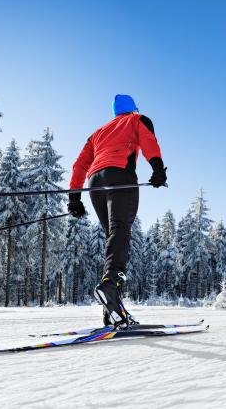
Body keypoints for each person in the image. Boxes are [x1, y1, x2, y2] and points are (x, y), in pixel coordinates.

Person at [68, 94, 167, 328]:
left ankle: (112, 311)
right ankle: (111, 285)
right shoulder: (137, 120)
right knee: (120, 231)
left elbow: (79, 164)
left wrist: (74, 198)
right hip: (120, 176)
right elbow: (148, 141)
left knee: (113, 238)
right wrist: (158, 168)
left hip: (95, 183)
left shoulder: (98, 133)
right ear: (133, 109)